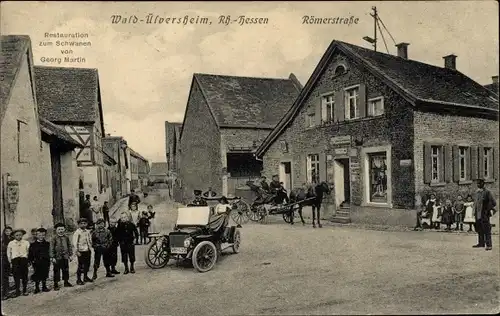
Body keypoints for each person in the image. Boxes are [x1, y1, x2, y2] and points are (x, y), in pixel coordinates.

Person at [473, 179, 497, 251]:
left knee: (486, 229)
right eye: (477, 184)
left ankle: (489, 245)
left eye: (479, 183)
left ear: (483, 184)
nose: (478, 185)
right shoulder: (477, 192)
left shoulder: (487, 192)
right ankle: (481, 243)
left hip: (484, 213)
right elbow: (475, 203)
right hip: (478, 213)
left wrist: (487, 210)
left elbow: (493, 202)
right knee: (479, 229)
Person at [7, 229, 30, 297]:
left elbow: (28, 252)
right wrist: (10, 262)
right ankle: (17, 290)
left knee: (24, 275)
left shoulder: (26, 242)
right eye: (17, 235)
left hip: (24, 260)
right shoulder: (11, 243)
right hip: (15, 261)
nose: (19, 236)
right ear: (14, 236)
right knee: (16, 276)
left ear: (22, 235)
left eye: (20, 235)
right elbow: (9, 253)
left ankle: (25, 290)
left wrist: (27, 260)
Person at [50, 223, 73, 290]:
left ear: (64, 229)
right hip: (57, 257)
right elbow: (51, 248)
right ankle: (56, 284)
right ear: (56, 230)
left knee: (66, 269)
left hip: (65, 257)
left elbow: (69, 246)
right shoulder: (53, 238)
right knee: (56, 270)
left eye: (62, 229)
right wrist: (52, 257)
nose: (61, 231)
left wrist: (70, 255)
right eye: (59, 229)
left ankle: (66, 281)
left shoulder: (66, 237)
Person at [28, 228, 50, 293]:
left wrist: (49, 258)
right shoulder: (33, 245)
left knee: (45, 273)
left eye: (43, 235)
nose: (41, 237)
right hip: (36, 262)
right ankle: (37, 288)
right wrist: (31, 260)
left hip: (45, 261)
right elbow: (30, 253)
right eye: (39, 235)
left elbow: (49, 252)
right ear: (36, 235)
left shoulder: (47, 244)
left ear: (45, 235)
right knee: (37, 274)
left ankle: (44, 286)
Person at [73, 218, 93, 285]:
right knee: (80, 266)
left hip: (87, 250)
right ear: (78, 224)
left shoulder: (87, 231)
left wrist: (90, 247)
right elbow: (75, 243)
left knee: (87, 264)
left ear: (87, 224)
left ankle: (85, 277)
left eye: (84, 223)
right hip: (81, 251)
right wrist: (77, 251)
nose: (83, 225)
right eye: (81, 223)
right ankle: (78, 279)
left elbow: (89, 240)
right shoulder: (77, 232)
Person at [1, 226, 13, 300]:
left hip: (12, 258)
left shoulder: (13, 239)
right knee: (4, 275)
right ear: (4, 232)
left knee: (11, 273)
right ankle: (5, 291)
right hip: (5, 258)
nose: (8, 232)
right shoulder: (3, 240)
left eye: (9, 231)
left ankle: (10, 289)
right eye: (6, 231)